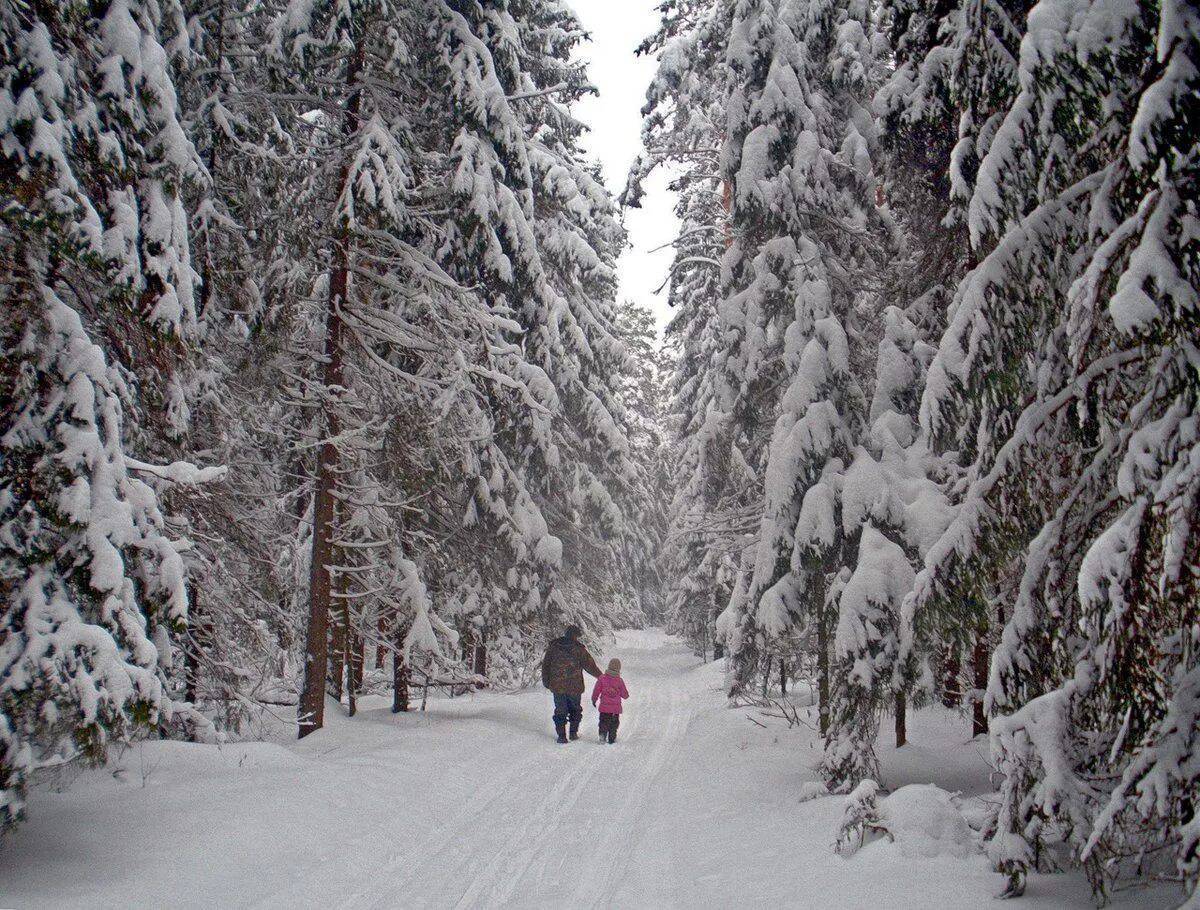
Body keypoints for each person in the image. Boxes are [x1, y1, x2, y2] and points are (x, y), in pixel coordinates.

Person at [540, 625, 602, 743]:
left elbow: (546, 665)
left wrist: (546, 681)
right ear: (575, 636)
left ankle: (562, 736)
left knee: (560, 710)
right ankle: (573, 733)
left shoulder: (554, 647)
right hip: (575, 686)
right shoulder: (579, 649)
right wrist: (602, 677)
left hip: (557, 686)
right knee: (575, 709)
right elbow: (590, 666)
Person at [591, 658, 629, 744]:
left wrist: (594, 699)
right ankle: (612, 737)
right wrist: (626, 695)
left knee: (603, 722)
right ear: (619, 668)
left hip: (604, 708)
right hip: (615, 710)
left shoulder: (602, 678)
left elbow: (596, 690)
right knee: (614, 724)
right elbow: (624, 694)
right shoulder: (619, 681)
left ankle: (602, 736)